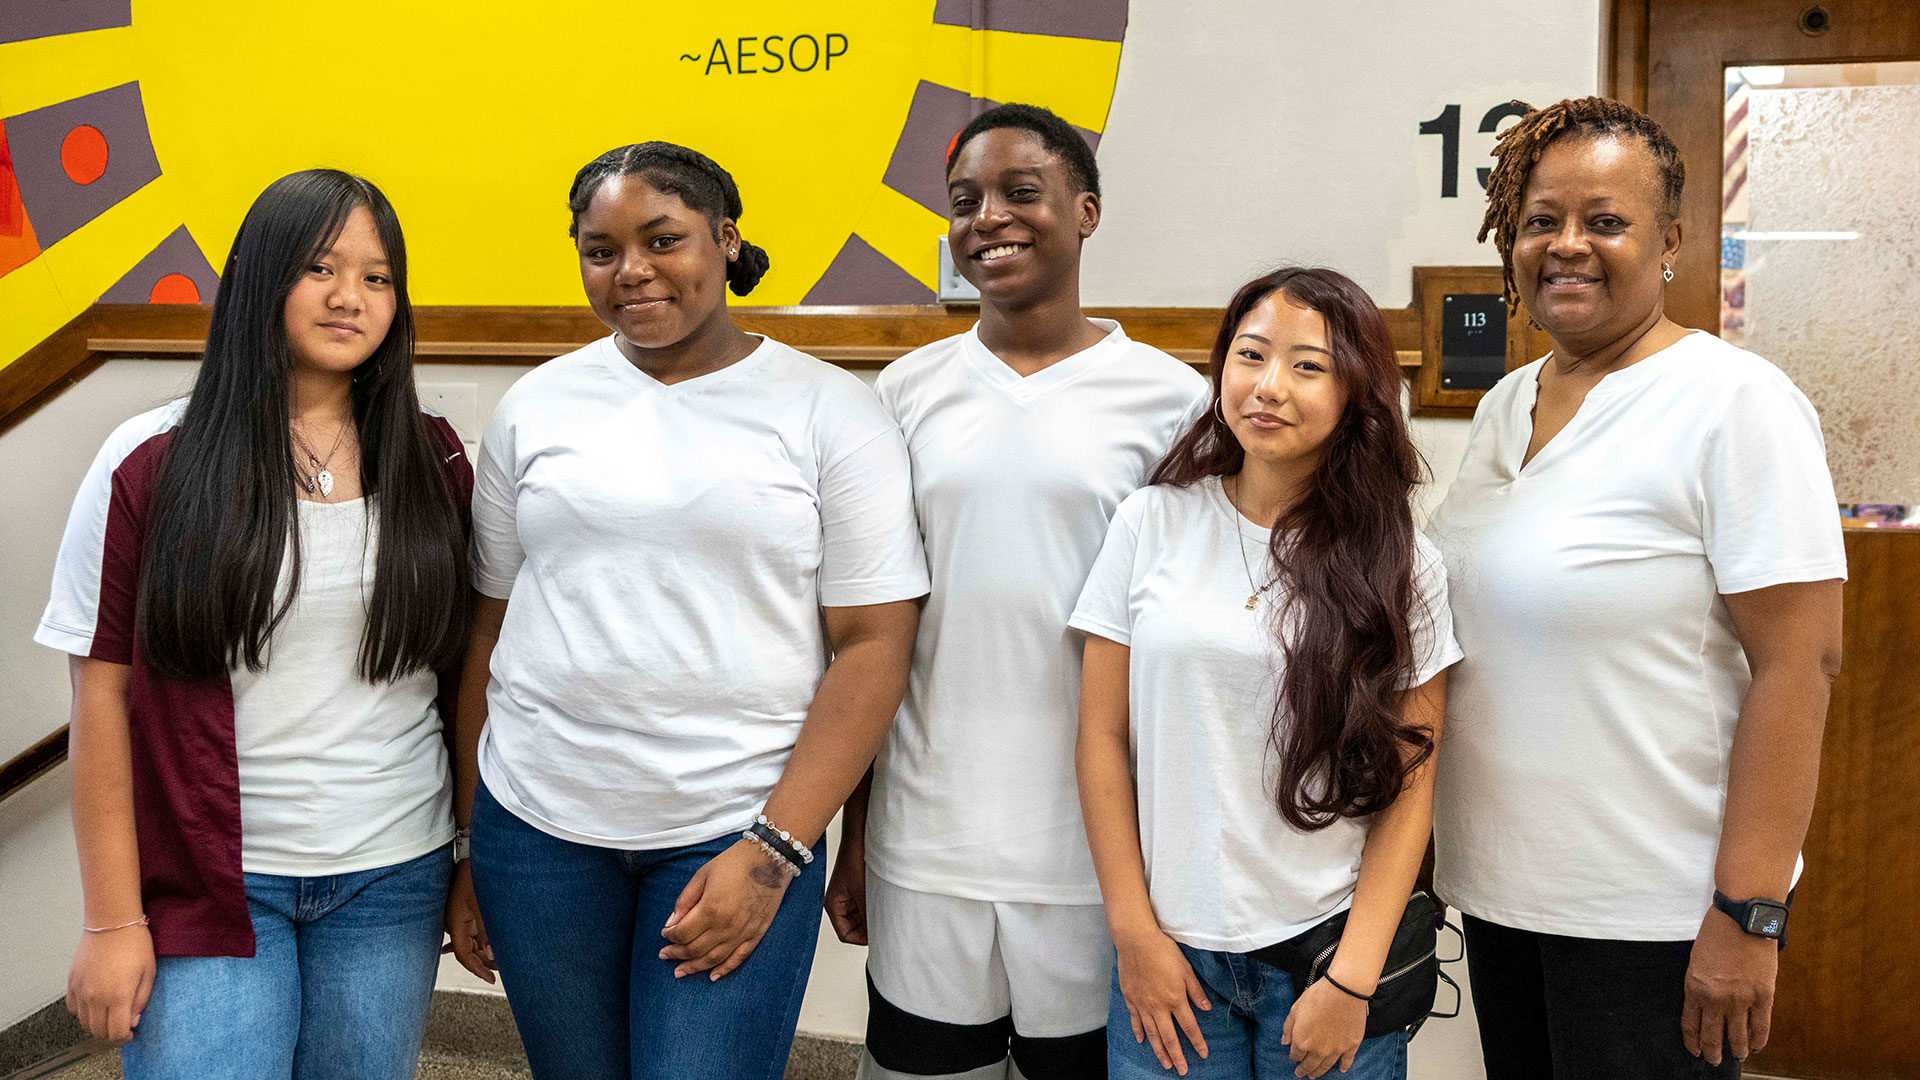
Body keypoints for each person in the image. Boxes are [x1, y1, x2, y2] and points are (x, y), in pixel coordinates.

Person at [442, 142, 927, 1080]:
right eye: (601, 249)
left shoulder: (830, 412)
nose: (632, 272)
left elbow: (873, 649)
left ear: (726, 238)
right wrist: (471, 840)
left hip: (732, 829)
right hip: (537, 834)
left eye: (663, 239)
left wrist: (777, 848)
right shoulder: (536, 406)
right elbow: (490, 629)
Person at [1426, 97, 1847, 1079]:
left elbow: (1800, 664)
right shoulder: (1505, 404)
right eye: (1542, 220)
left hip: (1650, 919)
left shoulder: (1735, 404)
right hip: (1501, 897)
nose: (1566, 246)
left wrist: (1751, 911)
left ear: (1669, 241)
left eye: (1604, 221)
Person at [41, 169, 474, 1080]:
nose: (350, 297)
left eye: (379, 276)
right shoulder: (152, 461)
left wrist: (471, 856)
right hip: (209, 880)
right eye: (320, 267)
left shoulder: (434, 459)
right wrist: (112, 920)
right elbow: (102, 697)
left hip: (393, 873)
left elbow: (465, 679)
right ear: (259, 278)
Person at [828, 103, 1209, 1080]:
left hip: (1096, 857)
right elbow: (877, 632)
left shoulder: (1173, 401)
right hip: (930, 840)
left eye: (1019, 193)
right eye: (964, 202)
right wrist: (858, 833)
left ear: (1085, 211)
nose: (987, 217)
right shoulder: (905, 392)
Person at [1071, 266, 1461, 1080]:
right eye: (1250, 356)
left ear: (1357, 393)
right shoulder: (1152, 523)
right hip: (1173, 964)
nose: (1269, 386)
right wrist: (1133, 933)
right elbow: (1102, 740)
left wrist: (1354, 981)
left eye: (1308, 366)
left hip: (1325, 956)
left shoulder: (1401, 564)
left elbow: (1412, 785)